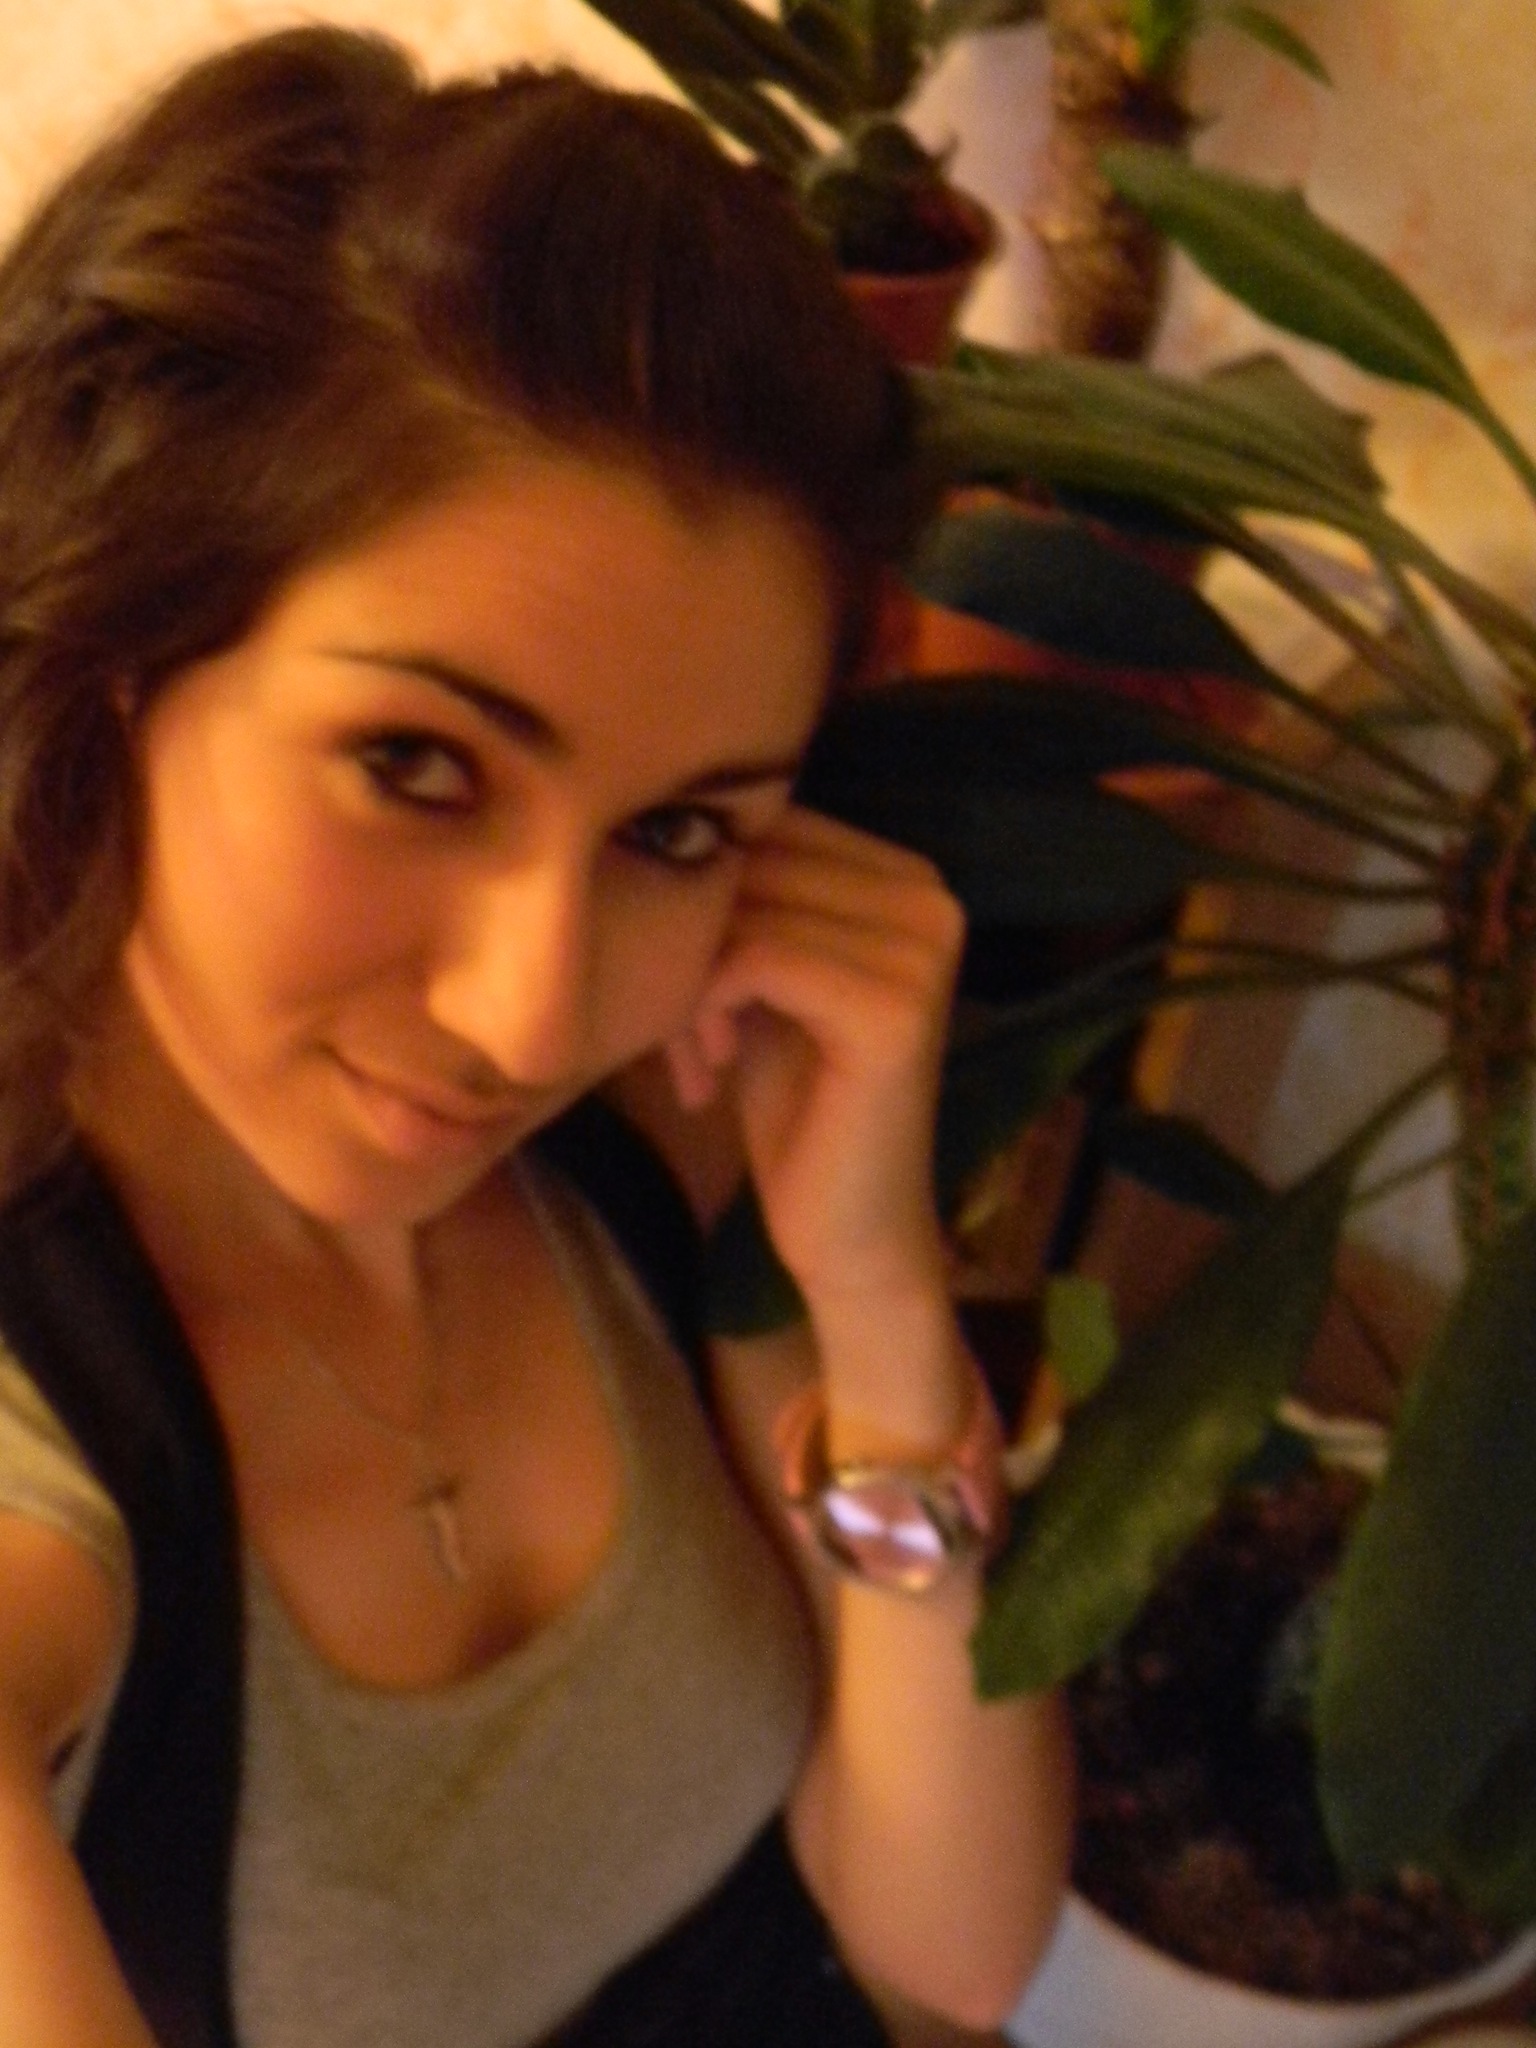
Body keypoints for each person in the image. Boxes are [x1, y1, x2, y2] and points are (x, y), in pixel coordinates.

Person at [0, 25, 1073, 2048]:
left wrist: (871, 1291)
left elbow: (946, 1956)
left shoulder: (665, 1126)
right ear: (115, 642)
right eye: (416, 765)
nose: (531, 1014)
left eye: (679, 831)